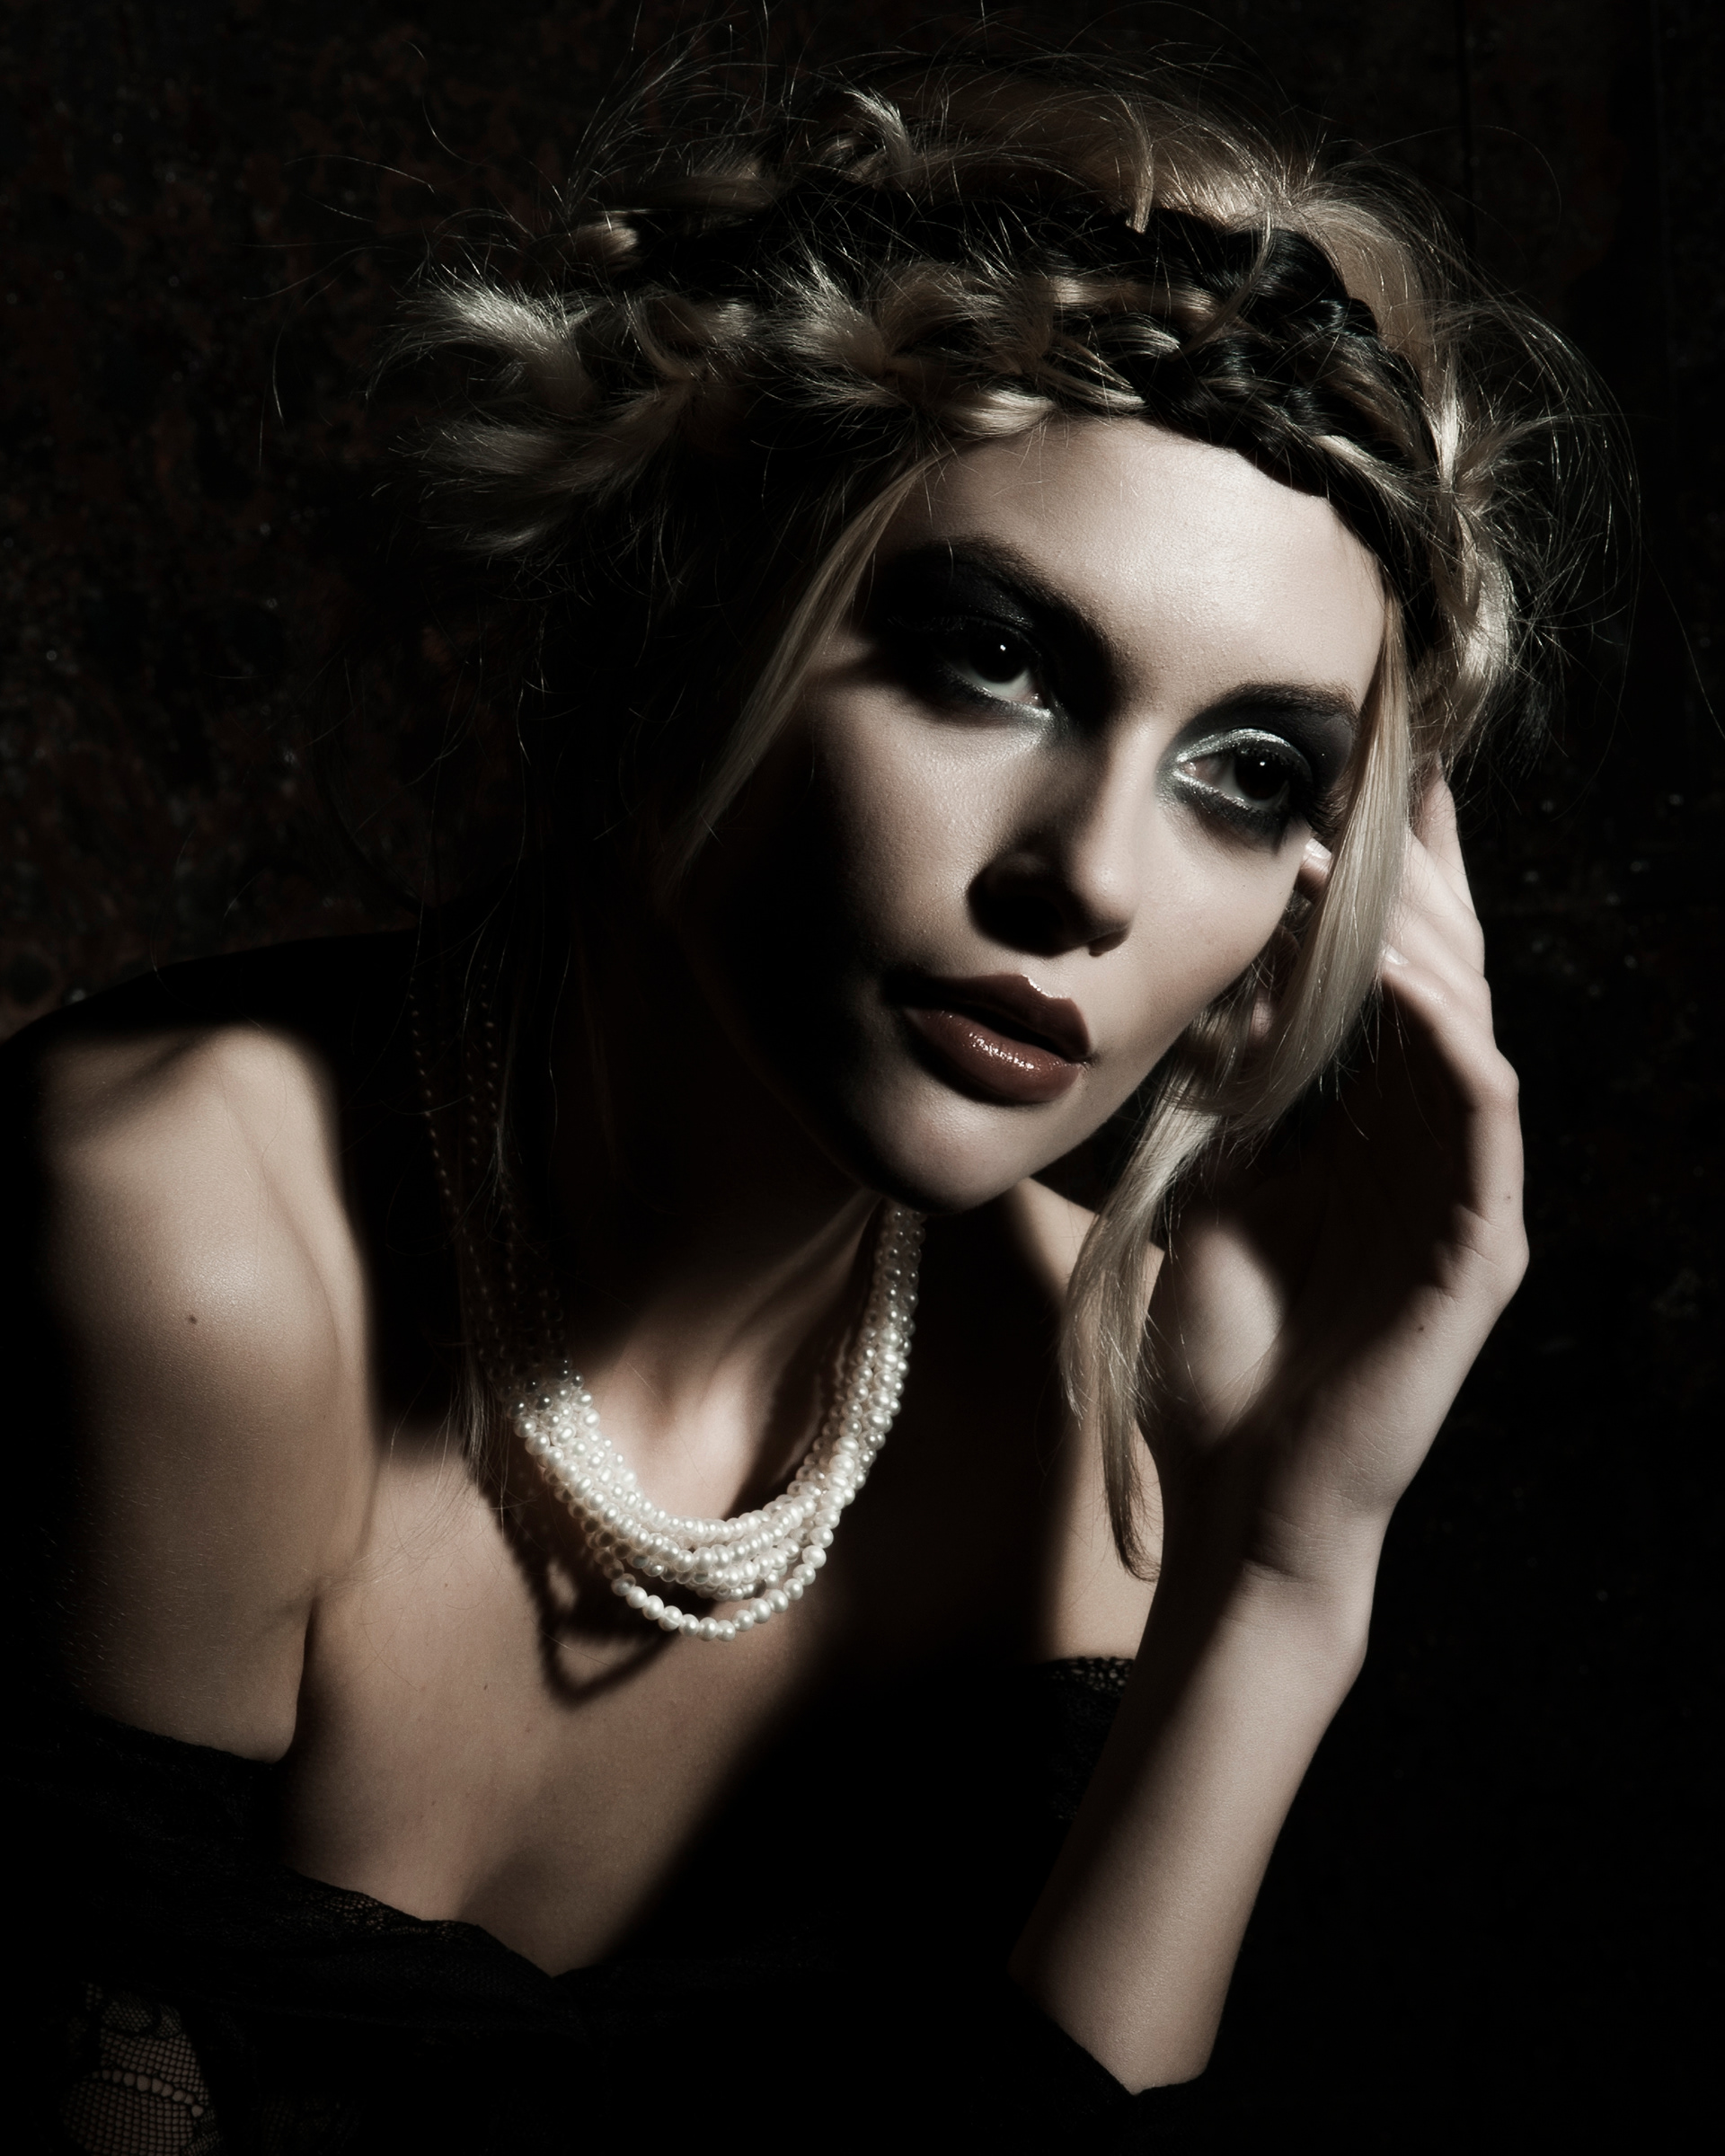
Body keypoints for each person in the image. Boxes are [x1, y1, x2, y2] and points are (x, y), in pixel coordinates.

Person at [9, 47, 1608, 2154]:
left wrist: (1286, 1565)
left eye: (1246, 775)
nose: (1092, 880)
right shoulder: (185, 1254)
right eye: (992, 658)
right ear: (690, 596)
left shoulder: (1094, 1428)